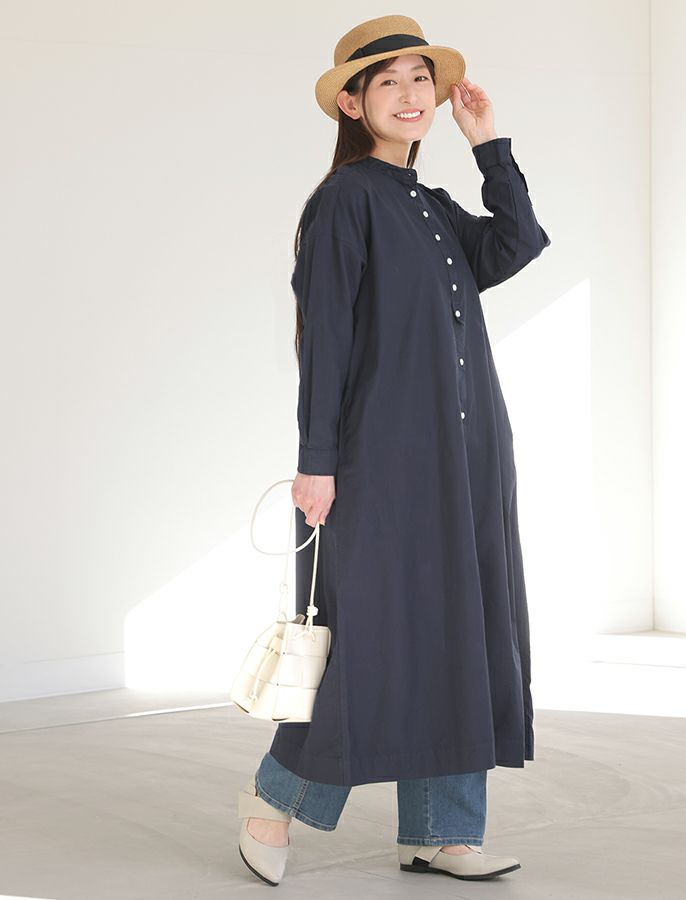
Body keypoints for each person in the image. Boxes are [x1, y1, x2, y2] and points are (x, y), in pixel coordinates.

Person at [237, 14, 551, 886]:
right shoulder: (346, 200)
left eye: (422, 79)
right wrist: (317, 460)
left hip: (465, 457)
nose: (412, 95)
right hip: (378, 462)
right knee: (368, 644)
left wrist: (489, 145)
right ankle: (271, 802)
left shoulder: (434, 207)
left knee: (461, 634)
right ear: (353, 102)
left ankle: (443, 833)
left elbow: (517, 242)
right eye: (390, 82)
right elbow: (327, 339)